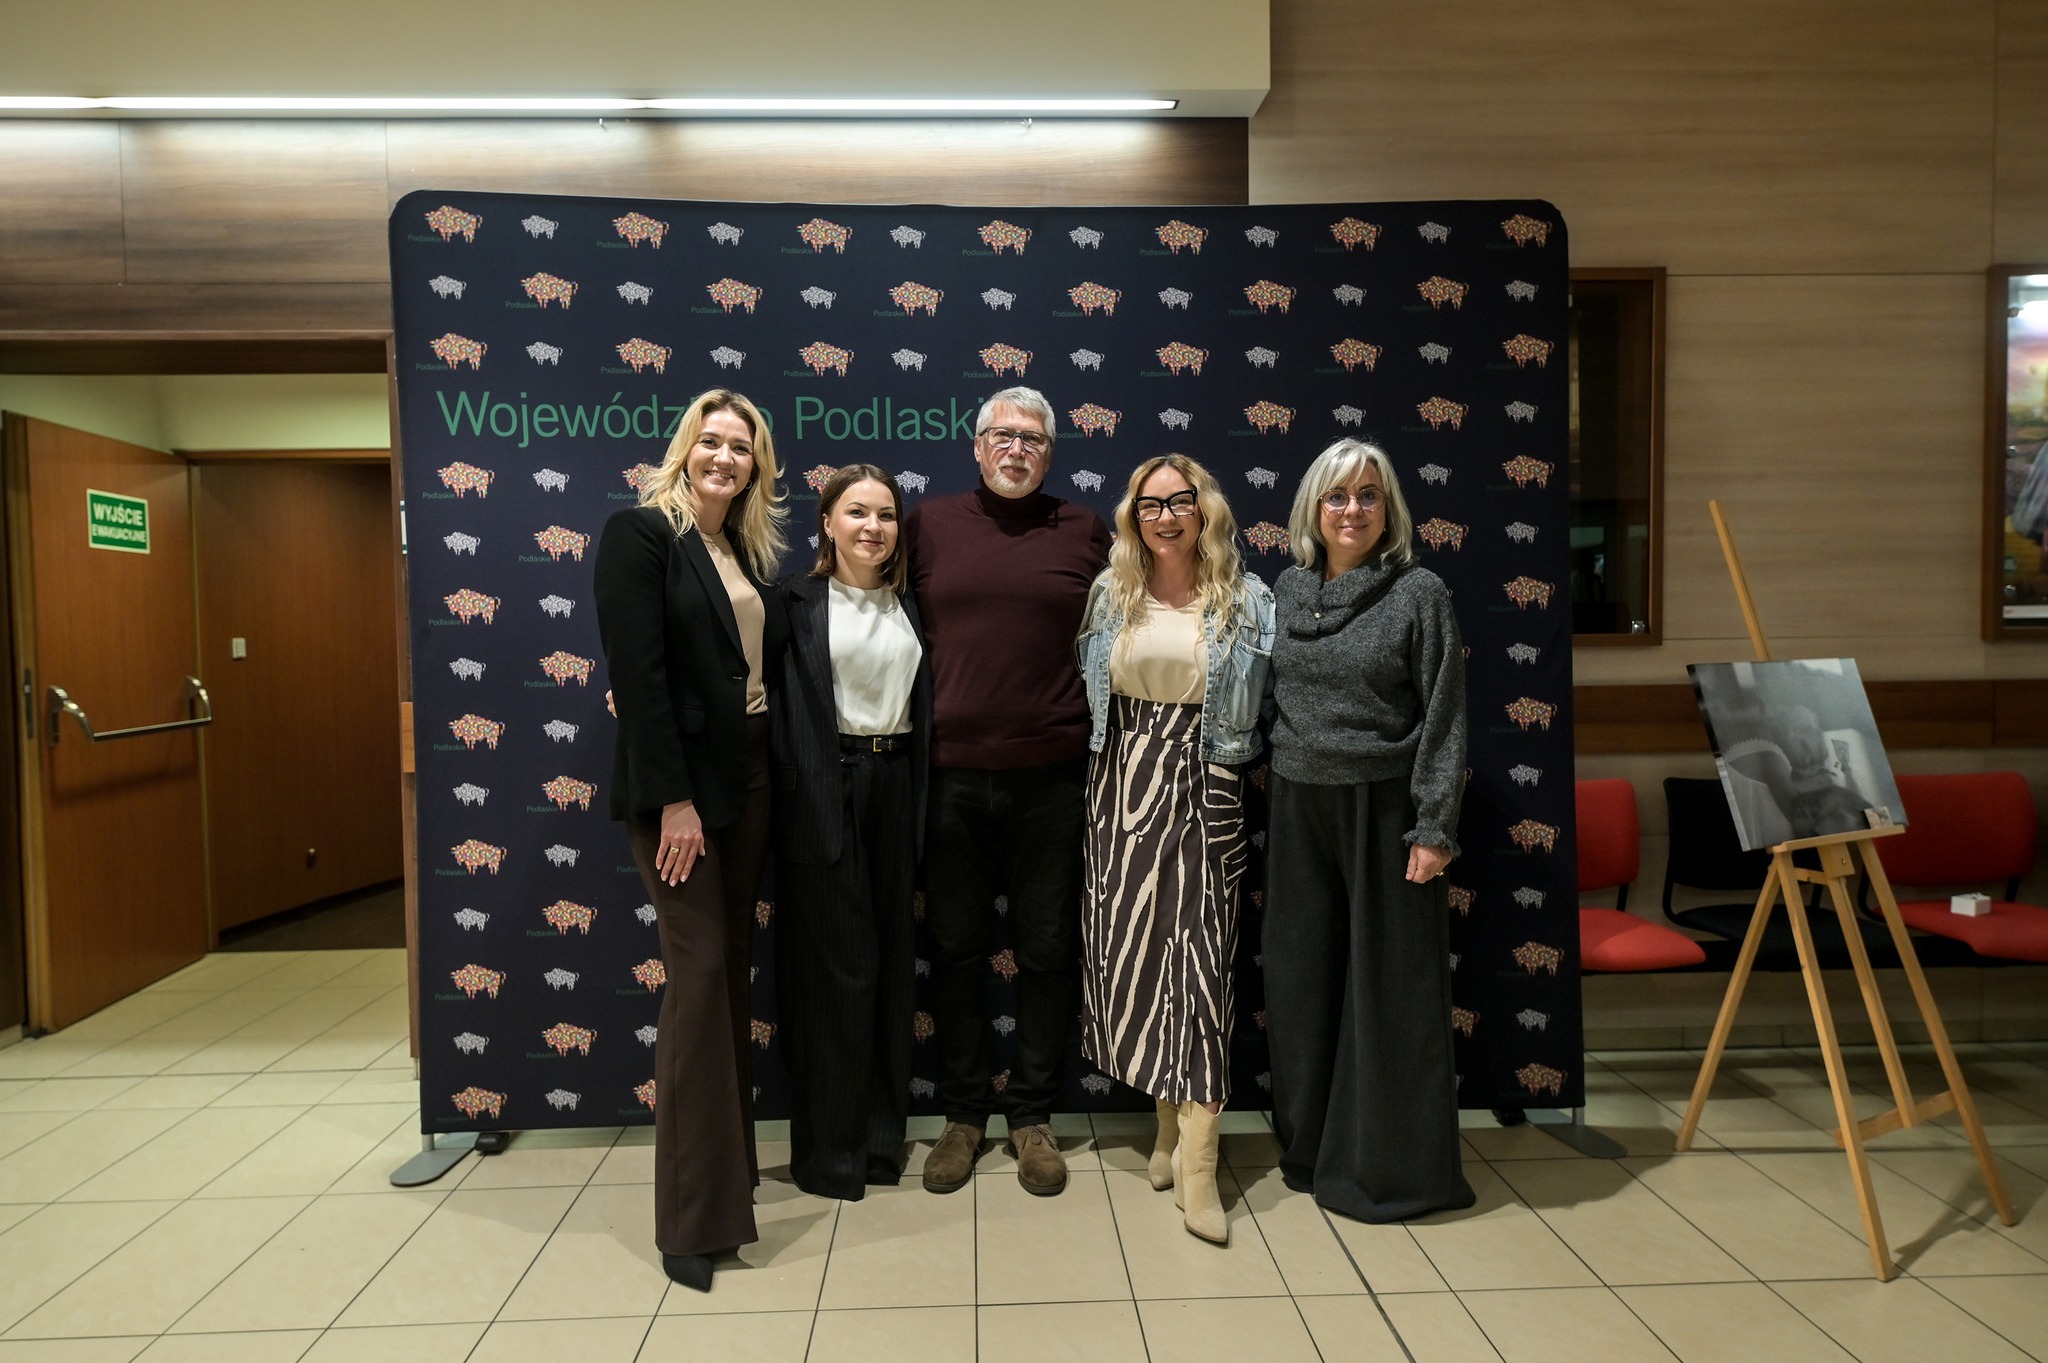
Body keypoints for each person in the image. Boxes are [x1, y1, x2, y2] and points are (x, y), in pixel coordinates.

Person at [594, 388, 790, 1291]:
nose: (724, 457)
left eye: (740, 447)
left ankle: (729, 1182)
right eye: (711, 441)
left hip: (749, 776)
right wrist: (673, 800)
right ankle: (688, 1221)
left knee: (729, 973)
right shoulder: (640, 534)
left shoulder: (742, 549)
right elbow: (636, 673)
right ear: (685, 448)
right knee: (700, 975)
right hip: (680, 791)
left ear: (756, 465)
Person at [905, 385, 1112, 1197]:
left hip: (1052, 777)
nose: (1016, 448)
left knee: (1049, 949)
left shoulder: (1085, 529)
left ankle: (1031, 1114)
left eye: (1032, 438)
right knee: (955, 947)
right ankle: (963, 1114)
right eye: (1002, 434)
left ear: (1050, 452)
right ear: (977, 445)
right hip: (948, 777)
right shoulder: (926, 524)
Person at [1263, 437, 1474, 1223]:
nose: (1352, 509)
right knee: (1301, 984)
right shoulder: (1286, 587)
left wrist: (1434, 825)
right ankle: (1312, 1149)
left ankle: (1391, 1171)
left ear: (1389, 510)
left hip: (1384, 811)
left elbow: (1445, 713)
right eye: (1337, 495)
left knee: (1389, 992)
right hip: (1296, 805)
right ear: (1312, 508)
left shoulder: (1419, 592)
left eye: (1368, 496)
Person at [1075, 454, 1275, 1244]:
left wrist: (1219, 777)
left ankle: (1200, 1164)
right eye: (1150, 504)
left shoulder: (1247, 600)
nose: (1166, 516)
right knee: (1136, 959)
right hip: (1120, 785)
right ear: (1134, 516)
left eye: (1180, 501)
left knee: (1199, 966)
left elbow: (1261, 705)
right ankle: (1164, 1125)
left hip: (1205, 781)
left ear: (1205, 511)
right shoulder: (1110, 592)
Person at [769, 464, 931, 1201]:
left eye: (887, 515)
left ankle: (880, 1144)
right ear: (827, 522)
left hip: (896, 785)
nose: (873, 527)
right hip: (822, 787)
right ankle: (828, 1156)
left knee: (892, 967)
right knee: (835, 974)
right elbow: (733, 671)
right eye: (857, 512)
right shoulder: (792, 602)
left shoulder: (912, 604)